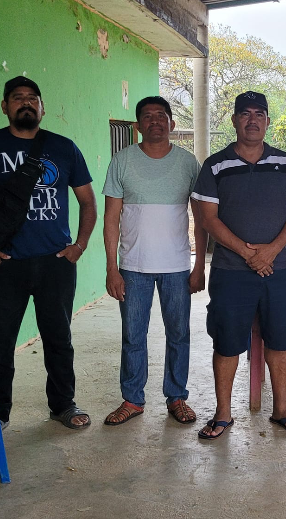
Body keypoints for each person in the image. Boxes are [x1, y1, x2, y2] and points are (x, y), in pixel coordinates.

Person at [0, 76, 97, 442]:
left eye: (31, 98)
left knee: (59, 338)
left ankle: (63, 405)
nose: (25, 103)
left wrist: (80, 245)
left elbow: (88, 201)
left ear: (42, 107)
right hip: (2, 265)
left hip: (55, 263)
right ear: (5, 106)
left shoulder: (63, 147)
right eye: (16, 98)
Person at [192, 91, 286, 439]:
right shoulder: (215, 165)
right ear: (234, 121)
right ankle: (223, 413)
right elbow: (208, 220)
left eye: (260, 114)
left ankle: (282, 410)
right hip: (231, 271)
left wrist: (271, 252)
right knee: (226, 341)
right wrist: (248, 254)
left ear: (268, 121)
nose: (253, 120)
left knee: (281, 339)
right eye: (245, 114)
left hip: (280, 269)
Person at [102, 96, 207, 426]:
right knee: (133, 337)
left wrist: (199, 265)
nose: (154, 121)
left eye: (161, 116)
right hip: (133, 267)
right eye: (147, 117)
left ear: (172, 124)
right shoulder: (122, 161)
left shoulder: (188, 164)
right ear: (137, 126)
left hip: (177, 266)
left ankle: (176, 397)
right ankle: (132, 399)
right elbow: (111, 218)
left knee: (179, 335)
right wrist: (111, 268)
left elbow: (202, 218)